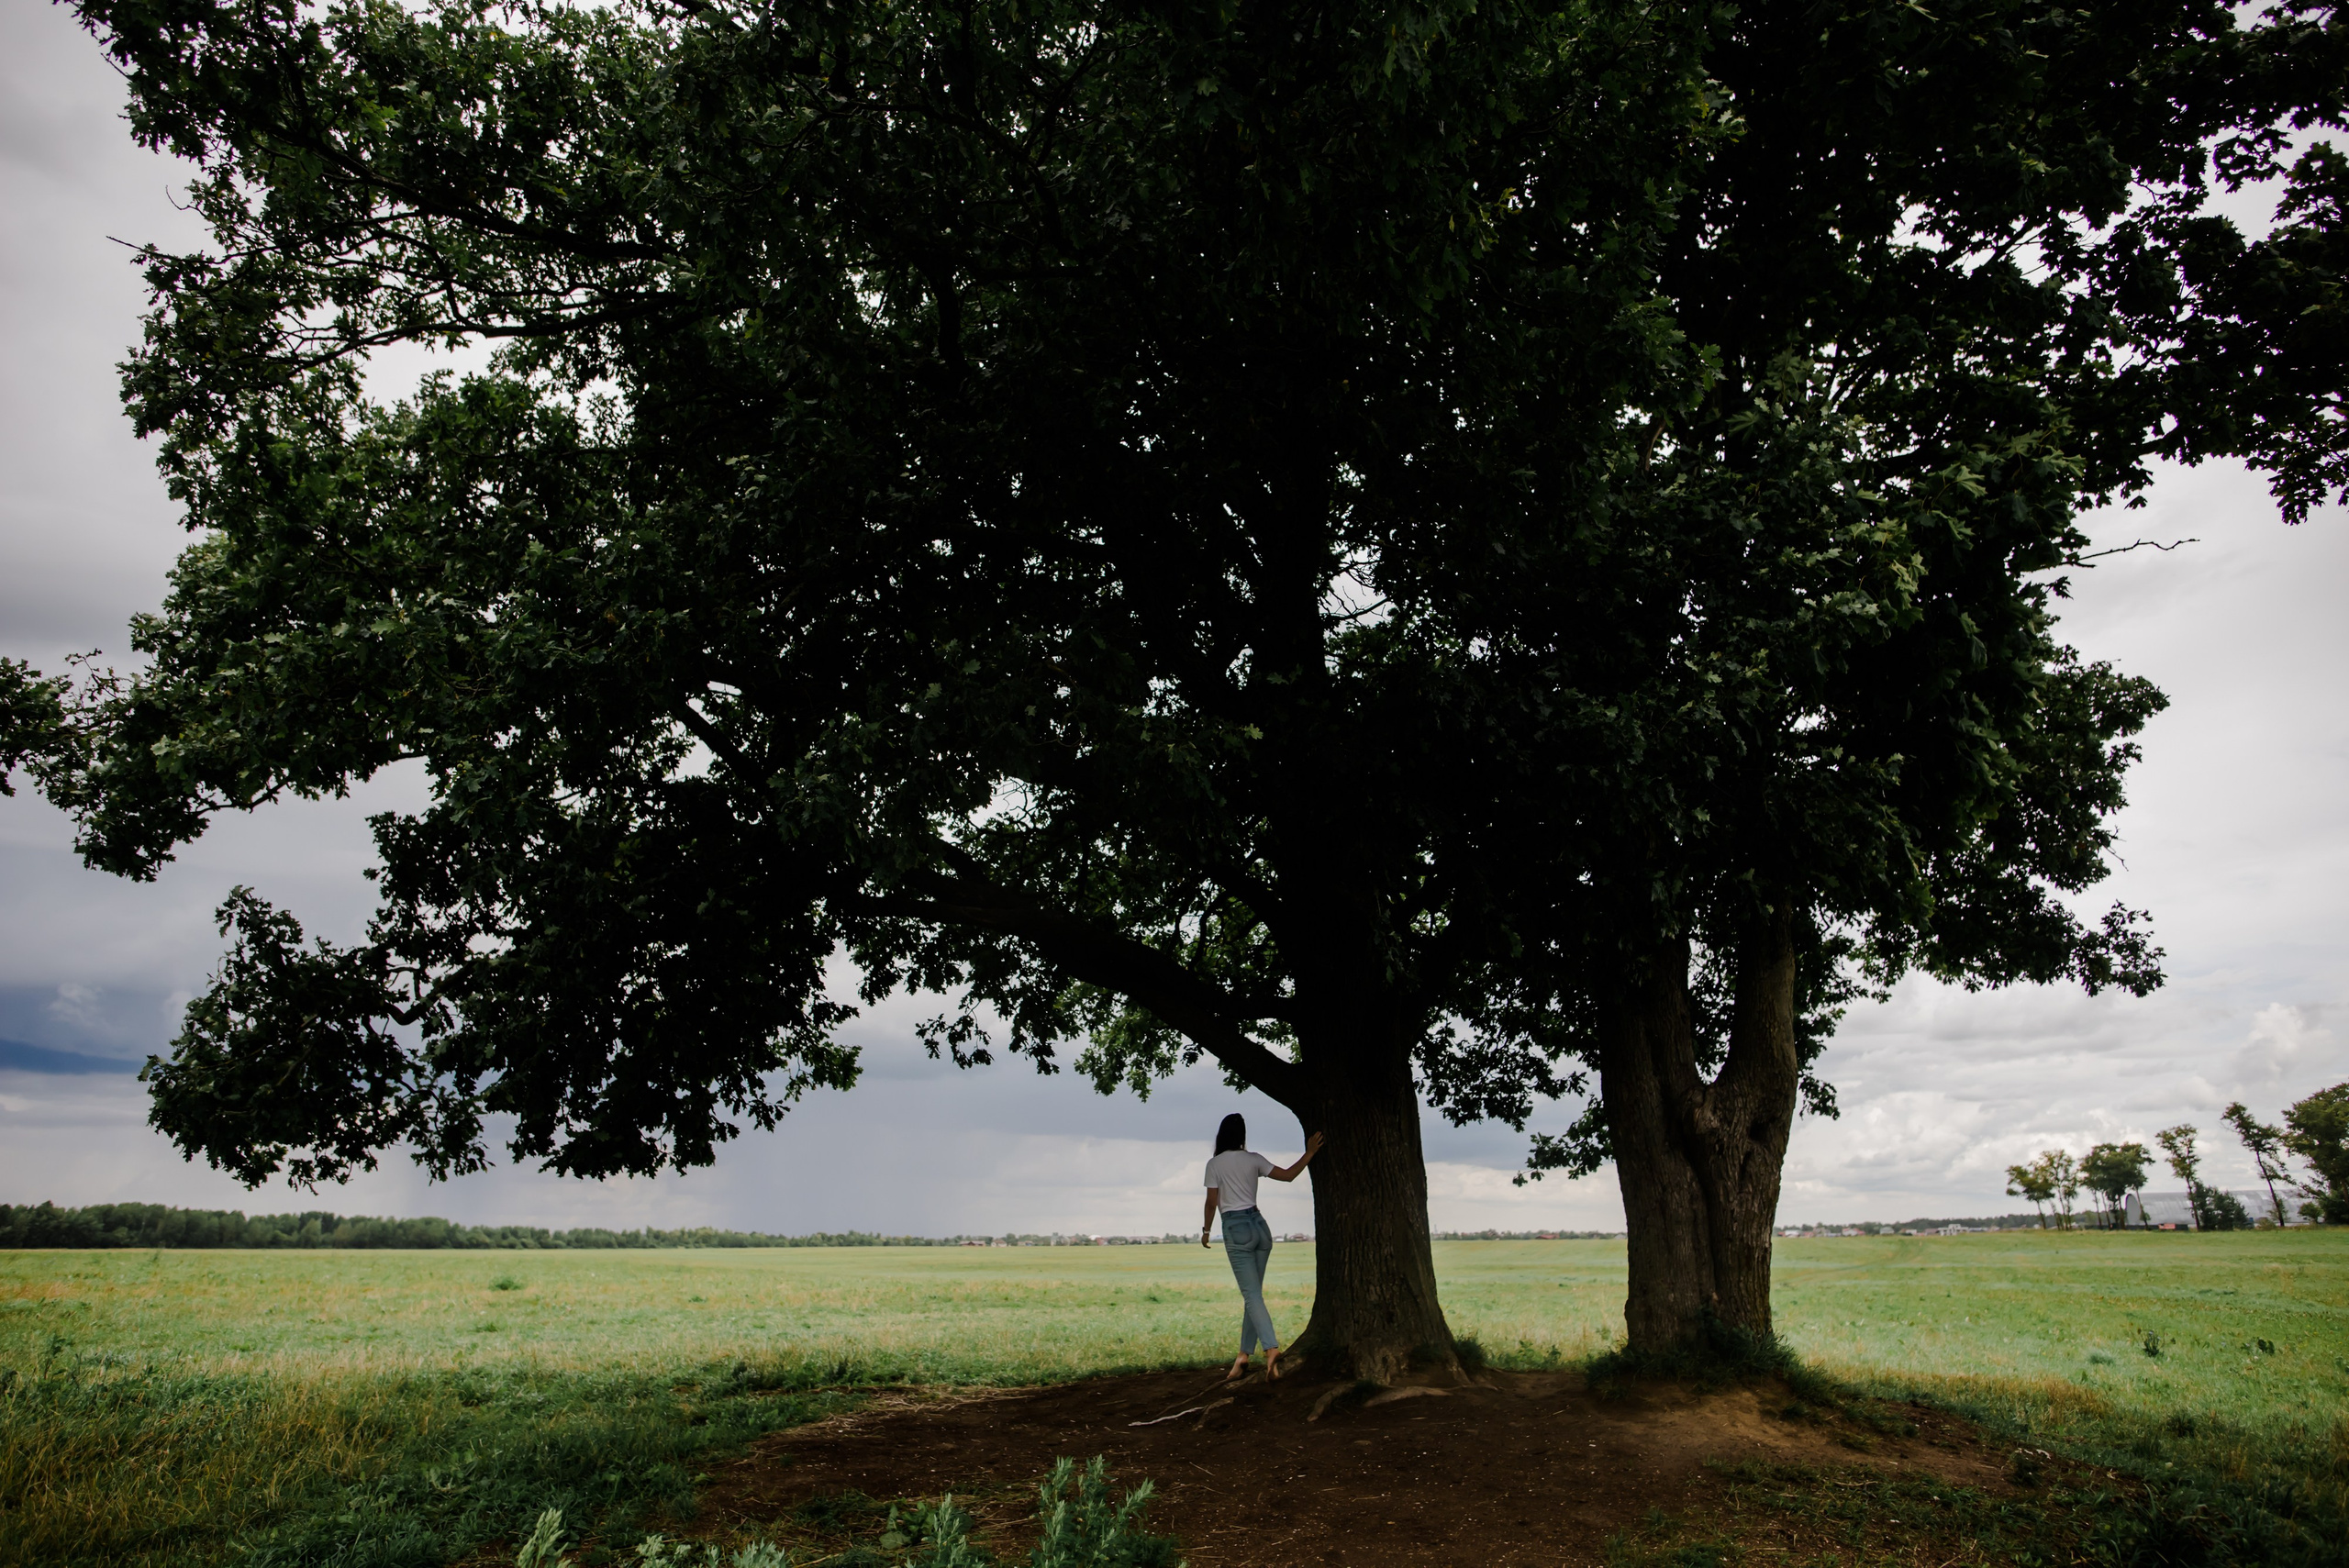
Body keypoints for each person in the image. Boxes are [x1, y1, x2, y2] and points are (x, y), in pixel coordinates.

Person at [1201, 1113, 1325, 1382]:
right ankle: (1243, 1356)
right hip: (1260, 1227)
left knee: (1251, 1296)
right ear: (1242, 1135)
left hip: (1236, 1228)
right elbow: (1289, 1175)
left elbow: (1212, 1202)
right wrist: (1309, 1153)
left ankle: (1271, 1349)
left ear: (1221, 1135)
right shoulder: (1254, 1159)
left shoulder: (1214, 1164)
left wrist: (1206, 1230)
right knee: (1253, 1294)